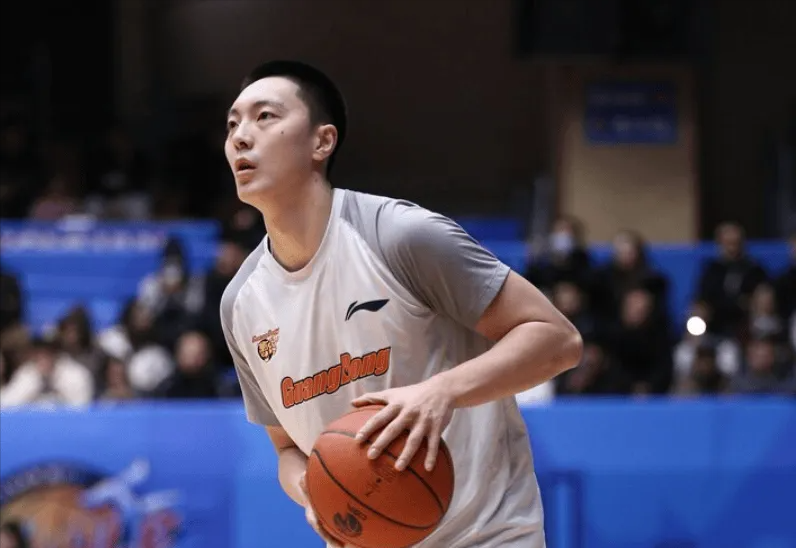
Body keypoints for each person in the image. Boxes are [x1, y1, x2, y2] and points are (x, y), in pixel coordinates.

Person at [220, 60, 583, 548]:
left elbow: (558, 340)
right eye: (232, 124)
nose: (241, 136)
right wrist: (314, 487)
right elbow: (286, 448)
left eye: (265, 116)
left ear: (322, 142)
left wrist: (442, 392)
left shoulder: (399, 236)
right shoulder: (241, 304)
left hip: (487, 537)